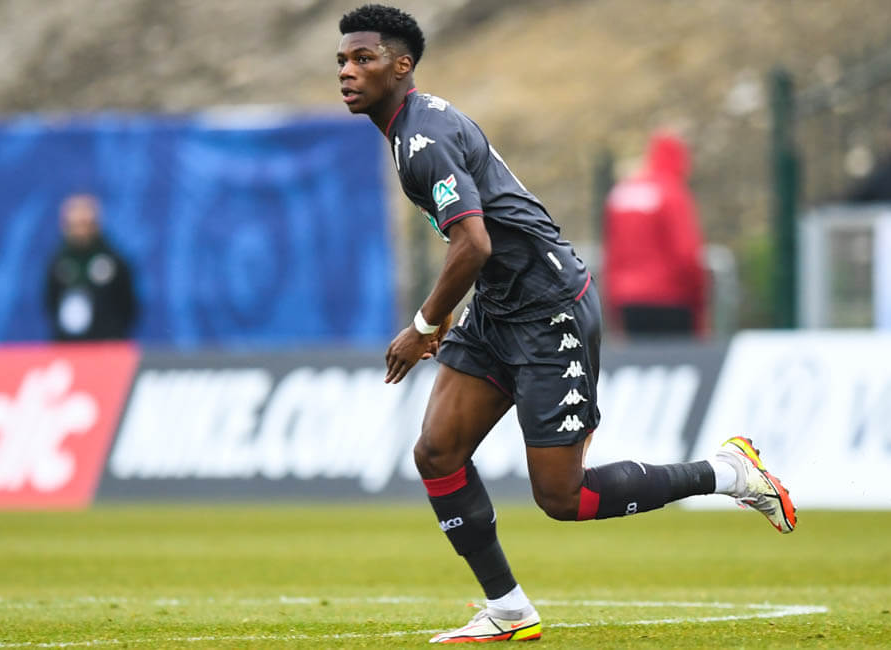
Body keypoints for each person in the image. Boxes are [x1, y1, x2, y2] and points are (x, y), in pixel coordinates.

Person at [336, 5, 796, 643]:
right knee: (437, 452)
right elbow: (482, 242)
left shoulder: (423, 139)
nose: (348, 71)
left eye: (363, 59)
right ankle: (508, 610)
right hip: (500, 306)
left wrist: (424, 323)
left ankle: (728, 472)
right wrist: (449, 313)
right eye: (342, 60)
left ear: (401, 65)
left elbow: (474, 242)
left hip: (549, 309)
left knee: (564, 498)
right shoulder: (411, 128)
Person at [602, 131, 707, 338]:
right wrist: (698, 301)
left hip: (628, 299)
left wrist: (612, 301)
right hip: (672, 298)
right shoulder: (672, 192)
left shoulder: (621, 193)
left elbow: (612, 253)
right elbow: (686, 253)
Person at [44, 194, 138, 341]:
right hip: (68, 346)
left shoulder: (113, 261)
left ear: (96, 224)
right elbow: (50, 303)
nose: (80, 231)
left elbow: (127, 305)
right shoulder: (58, 264)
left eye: (85, 224)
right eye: (75, 225)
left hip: (107, 345)